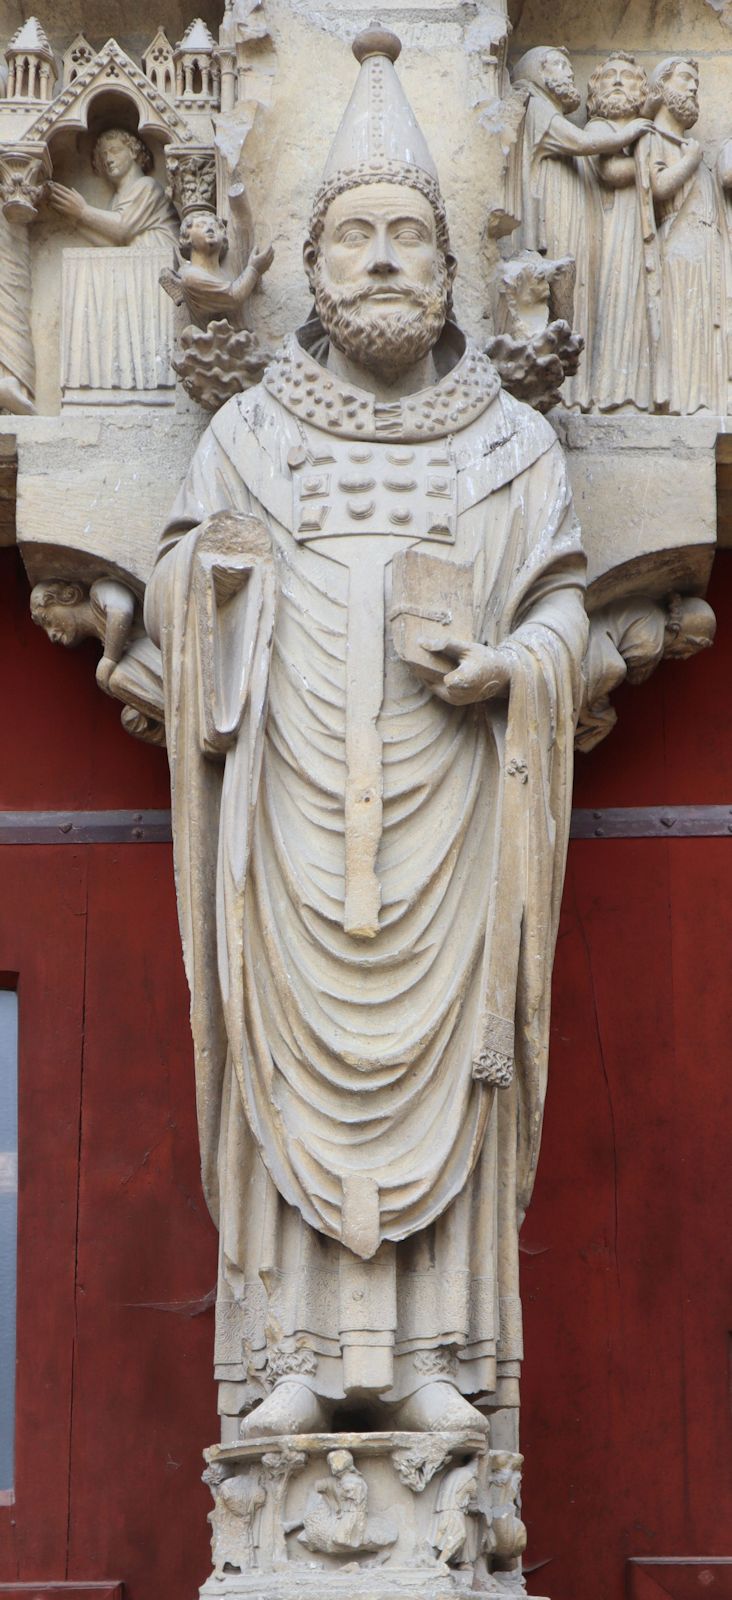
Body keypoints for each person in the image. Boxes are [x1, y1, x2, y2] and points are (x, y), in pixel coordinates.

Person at [146, 27, 587, 1449]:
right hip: (285, 801)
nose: (385, 258)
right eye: (357, 238)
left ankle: (436, 1354)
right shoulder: (250, 441)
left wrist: (510, 665)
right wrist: (213, 590)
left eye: (410, 235)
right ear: (313, 271)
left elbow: (568, 608)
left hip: (453, 811)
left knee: (458, 1056)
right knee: (291, 1052)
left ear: (452, 272)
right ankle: (292, 1347)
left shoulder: (509, 445)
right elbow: (177, 600)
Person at [509, 46, 652, 410]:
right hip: (552, 214)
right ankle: (563, 389)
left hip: (572, 212)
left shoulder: (551, 112)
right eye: (559, 65)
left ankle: (573, 386)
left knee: (576, 294)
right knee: (562, 296)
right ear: (537, 72)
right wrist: (633, 131)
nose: (568, 73)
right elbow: (582, 143)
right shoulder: (534, 103)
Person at [643, 57, 725, 413]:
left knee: (706, 330)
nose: (693, 88)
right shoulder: (652, 137)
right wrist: (690, 161)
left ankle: (708, 400)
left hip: (707, 247)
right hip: (679, 245)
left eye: (697, 82)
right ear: (661, 87)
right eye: (686, 79)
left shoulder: (689, 147)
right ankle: (684, 402)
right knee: (685, 326)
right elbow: (657, 187)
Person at [584, 52, 653, 410]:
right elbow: (610, 172)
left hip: (634, 226)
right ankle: (613, 391)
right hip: (612, 227)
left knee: (636, 304)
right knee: (618, 298)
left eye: (627, 77)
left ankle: (634, 388)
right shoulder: (600, 128)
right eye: (609, 75)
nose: (616, 81)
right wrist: (655, 165)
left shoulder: (635, 136)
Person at [48, 127, 178, 250]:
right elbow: (113, 243)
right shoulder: (116, 198)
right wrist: (75, 219)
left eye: (115, 151)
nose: (108, 159)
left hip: (159, 257)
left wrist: (83, 211)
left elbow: (122, 227)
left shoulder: (147, 186)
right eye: (103, 155)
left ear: (133, 151)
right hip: (138, 260)